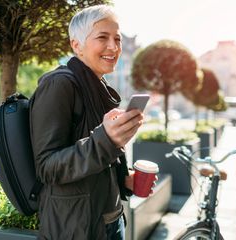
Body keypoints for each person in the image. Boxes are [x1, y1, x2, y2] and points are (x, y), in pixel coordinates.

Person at [30, 5, 150, 240]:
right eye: (102, 38)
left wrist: (123, 180)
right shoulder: (59, 85)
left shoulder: (99, 88)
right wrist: (107, 139)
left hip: (109, 221)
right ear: (77, 45)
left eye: (117, 39)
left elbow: (96, 162)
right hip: (78, 229)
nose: (113, 47)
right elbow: (47, 167)